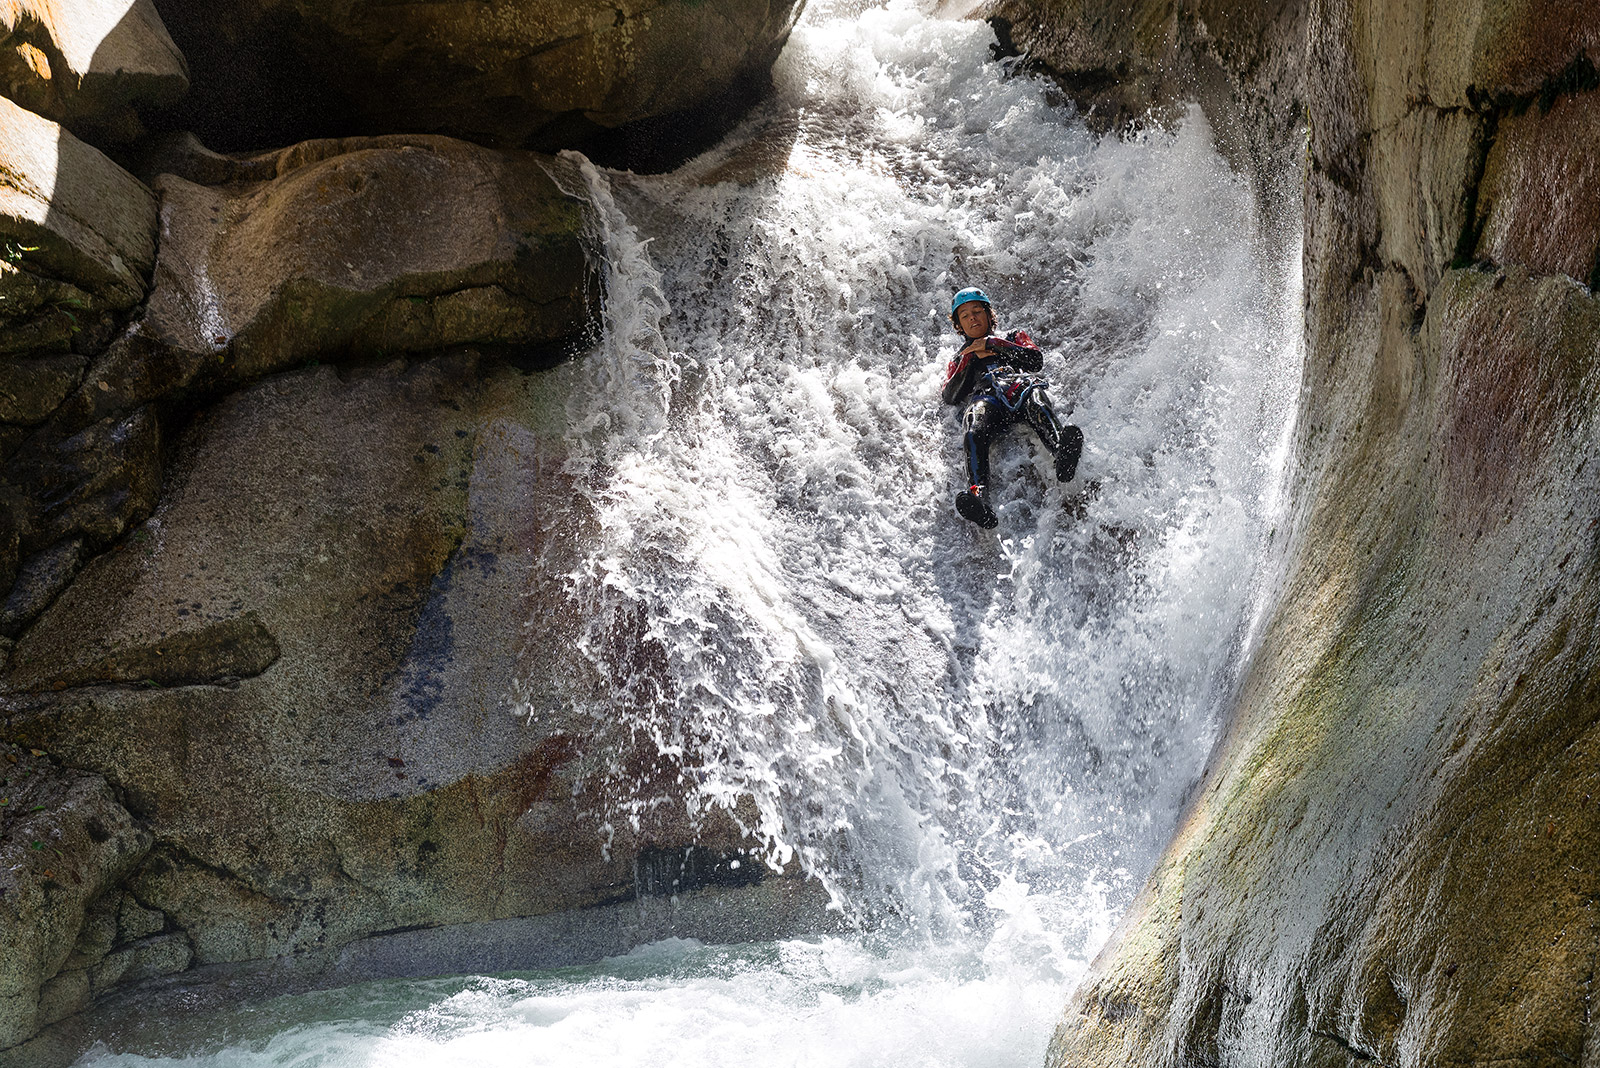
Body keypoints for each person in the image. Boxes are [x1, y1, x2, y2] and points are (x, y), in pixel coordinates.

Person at [941, 287, 1083, 528]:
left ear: (989, 315)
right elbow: (950, 395)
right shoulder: (959, 357)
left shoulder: (1012, 336)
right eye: (965, 316)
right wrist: (972, 357)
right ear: (959, 326)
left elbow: (1035, 360)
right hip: (987, 399)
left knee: (1036, 399)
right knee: (973, 427)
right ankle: (979, 497)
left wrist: (993, 344)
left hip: (1018, 388)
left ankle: (1061, 452)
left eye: (977, 311)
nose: (972, 318)